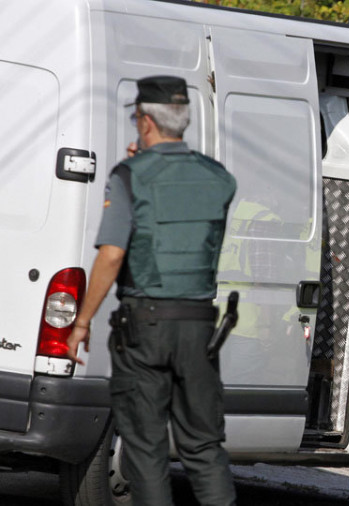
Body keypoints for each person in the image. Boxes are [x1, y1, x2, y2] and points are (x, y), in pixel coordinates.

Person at [66, 76, 238, 506]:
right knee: (204, 448)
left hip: (144, 327)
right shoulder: (219, 179)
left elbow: (110, 256)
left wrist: (81, 322)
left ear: (144, 122)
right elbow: (182, 199)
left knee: (145, 450)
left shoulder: (129, 176)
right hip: (199, 330)